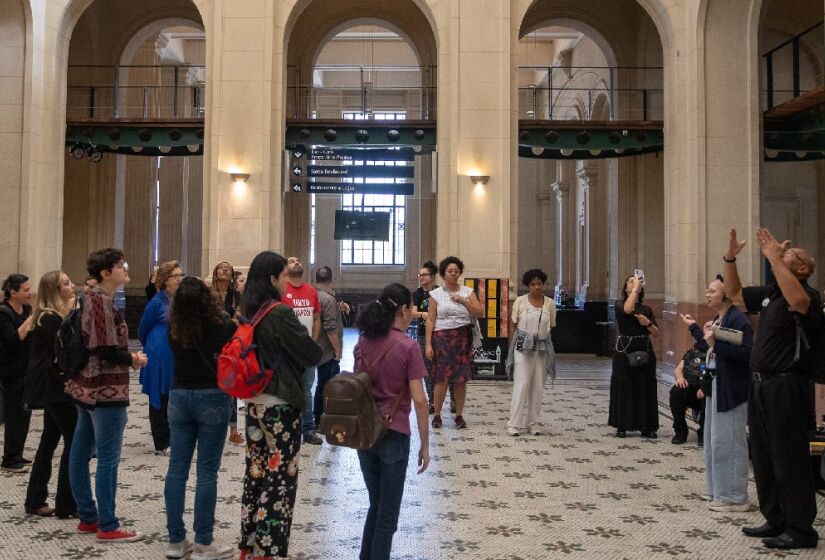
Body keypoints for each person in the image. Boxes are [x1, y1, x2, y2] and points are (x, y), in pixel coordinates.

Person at [724, 228, 822, 550]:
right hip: (761, 387)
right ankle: (776, 518)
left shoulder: (807, 295)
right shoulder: (771, 294)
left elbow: (798, 300)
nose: (785, 253)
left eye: (793, 256)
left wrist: (773, 257)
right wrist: (730, 259)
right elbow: (734, 294)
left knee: (789, 458)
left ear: (804, 269)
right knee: (763, 456)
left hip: (787, 386)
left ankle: (801, 529)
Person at [239, 251, 322, 560]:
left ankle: (248, 546)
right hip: (280, 405)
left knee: (256, 472)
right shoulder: (279, 312)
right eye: (285, 276)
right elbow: (310, 354)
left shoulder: (249, 310)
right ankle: (268, 550)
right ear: (273, 279)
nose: (289, 282)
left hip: (254, 402)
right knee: (281, 477)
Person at [64, 248, 148, 543]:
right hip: (103, 390)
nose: (126, 269)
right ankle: (107, 524)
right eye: (120, 265)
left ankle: (88, 518)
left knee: (80, 451)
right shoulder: (99, 301)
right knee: (108, 458)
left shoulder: (96, 299)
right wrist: (134, 359)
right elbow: (105, 348)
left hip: (88, 388)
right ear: (105, 273)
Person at [354, 283, 430, 560]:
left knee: (376, 503)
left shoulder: (364, 340)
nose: (413, 312)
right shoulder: (408, 347)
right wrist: (425, 444)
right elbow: (420, 400)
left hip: (365, 431)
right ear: (402, 310)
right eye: (410, 307)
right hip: (394, 432)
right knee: (388, 513)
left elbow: (358, 384)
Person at [165, 277, 238, 559]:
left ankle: (176, 541)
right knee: (207, 472)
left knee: (176, 471)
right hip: (212, 396)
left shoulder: (173, 327)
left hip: (180, 396)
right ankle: (204, 543)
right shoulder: (222, 325)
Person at [22, 271, 78, 518]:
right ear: (55, 291)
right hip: (55, 388)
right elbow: (63, 354)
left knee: (49, 441)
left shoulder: (54, 316)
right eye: (66, 284)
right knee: (73, 442)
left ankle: (36, 499)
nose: (72, 285)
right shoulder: (49, 318)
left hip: (54, 388)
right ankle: (67, 503)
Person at [698, 276, 753, 512]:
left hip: (731, 388)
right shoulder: (720, 318)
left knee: (729, 441)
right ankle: (718, 490)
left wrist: (715, 343)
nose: (707, 294)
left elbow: (745, 351)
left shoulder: (738, 319)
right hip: (716, 384)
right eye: (707, 290)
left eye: (712, 291)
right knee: (715, 441)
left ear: (726, 295)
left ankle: (734, 496)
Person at [425, 256, 484, 429]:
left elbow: (480, 312)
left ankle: (459, 415)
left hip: (462, 338)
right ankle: (437, 414)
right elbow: (430, 320)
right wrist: (428, 344)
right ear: (443, 273)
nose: (453, 274)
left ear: (460, 273)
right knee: (441, 378)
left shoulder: (467, 291)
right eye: (449, 271)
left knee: (460, 379)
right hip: (442, 338)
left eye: (456, 271)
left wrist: (465, 301)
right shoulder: (435, 294)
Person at [138, 260, 183, 455]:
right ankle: (161, 442)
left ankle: (173, 437)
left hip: (175, 353)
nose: (179, 279)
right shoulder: (156, 302)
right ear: (165, 280)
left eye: (181, 275)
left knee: (173, 396)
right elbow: (142, 329)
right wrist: (152, 347)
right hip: (158, 354)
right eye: (176, 276)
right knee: (160, 397)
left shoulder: (178, 299)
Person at [608, 274, 660, 438]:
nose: (634, 283)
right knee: (624, 386)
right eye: (630, 282)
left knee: (645, 386)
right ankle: (622, 425)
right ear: (626, 288)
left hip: (644, 349)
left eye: (636, 282)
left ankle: (647, 426)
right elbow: (628, 309)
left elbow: (656, 333)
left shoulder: (647, 309)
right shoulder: (619, 304)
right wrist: (635, 290)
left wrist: (648, 323)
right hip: (625, 351)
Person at [505, 269, 556, 436]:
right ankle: (514, 424)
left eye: (539, 283)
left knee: (538, 386)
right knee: (522, 384)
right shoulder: (520, 301)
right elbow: (513, 325)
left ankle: (533, 422)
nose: (536, 287)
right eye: (533, 284)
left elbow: (552, 326)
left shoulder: (549, 303)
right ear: (528, 286)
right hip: (522, 348)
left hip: (541, 349)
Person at [280, 256, 323, 445]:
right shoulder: (282, 290)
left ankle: (308, 429)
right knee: (287, 389)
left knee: (306, 390)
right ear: (285, 268)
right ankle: (288, 427)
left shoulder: (311, 291)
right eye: (291, 261)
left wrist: (313, 342)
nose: (297, 262)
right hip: (287, 350)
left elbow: (316, 319)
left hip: (307, 349)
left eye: (298, 260)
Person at [0, 274, 34, 472]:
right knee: (14, 414)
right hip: (10, 370)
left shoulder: (27, 309)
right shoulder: (4, 313)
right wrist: (30, 321)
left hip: (25, 368)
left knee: (24, 413)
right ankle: (10, 459)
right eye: (26, 290)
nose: (29, 293)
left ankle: (18, 453)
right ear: (13, 292)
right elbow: (12, 340)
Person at [412, 261, 454, 414]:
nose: (421, 277)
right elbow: (412, 312)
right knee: (427, 369)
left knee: (446, 368)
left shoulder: (441, 291)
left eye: (424, 275)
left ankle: (453, 401)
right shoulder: (417, 294)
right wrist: (424, 314)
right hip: (423, 335)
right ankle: (432, 403)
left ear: (432, 276)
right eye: (420, 275)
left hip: (442, 334)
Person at [669, 313, 708, 445]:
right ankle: (680, 431)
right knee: (676, 392)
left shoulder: (716, 350)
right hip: (690, 384)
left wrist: (705, 387)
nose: (708, 329)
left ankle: (703, 433)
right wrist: (679, 378)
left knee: (708, 396)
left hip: (707, 386)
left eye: (711, 327)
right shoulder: (691, 352)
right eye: (706, 328)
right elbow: (678, 368)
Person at [313, 266, 344, 427]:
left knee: (323, 385)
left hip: (318, 347)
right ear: (331, 280)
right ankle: (320, 420)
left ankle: (319, 418)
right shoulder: (328, 299)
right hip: (327, 351)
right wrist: (337, 350)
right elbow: (331, 327)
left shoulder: (314, 296)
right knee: (326, 386)